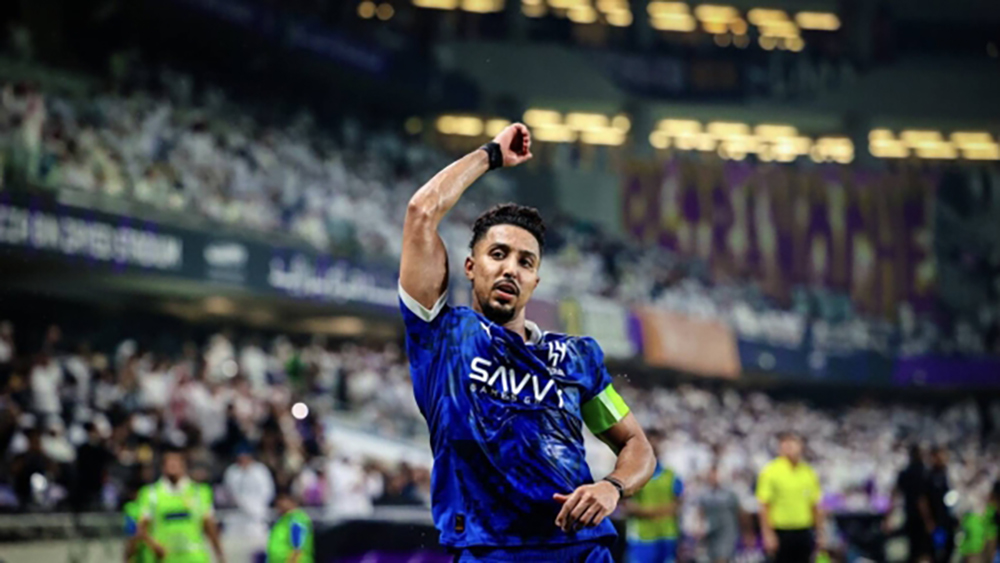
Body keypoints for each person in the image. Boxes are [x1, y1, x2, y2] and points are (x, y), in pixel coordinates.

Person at [398, 123, 655, 562]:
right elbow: (422, 211)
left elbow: (637, 447)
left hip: (580, 550)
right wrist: (490, 155)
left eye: (525, 262)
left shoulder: (576, 359)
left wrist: (612, 487)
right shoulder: (443, 337)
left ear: (535, 280)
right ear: (470, 266)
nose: (510, 269)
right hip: (488, 550)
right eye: (498, 254)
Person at [137, 447, 226, 563]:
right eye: (169, 462)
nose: (173, 465)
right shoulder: (151, 494)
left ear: (184, 465)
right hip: (165, 557)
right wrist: (154, 545)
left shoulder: (200, 492)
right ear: (163, 467)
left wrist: (220, 555)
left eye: (176, 462)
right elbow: (141, 529)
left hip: (194, 557)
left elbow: (210, 527)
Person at [755, 432, 824, 563]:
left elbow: (815, 505)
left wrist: (820, 533)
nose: (789, 447)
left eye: (793, 443)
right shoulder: (771, 471)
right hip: (781, 530)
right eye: (785, 444)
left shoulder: (808, 472)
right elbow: (764, 505)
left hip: (804, 530)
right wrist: (768, 534)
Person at [623, 430, 684, 563]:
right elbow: (628, 506)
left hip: (666, 535)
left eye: (656, 442)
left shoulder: (671, 475)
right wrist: (657, 512)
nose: (653, 446)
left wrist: (648, 511)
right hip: (642, 536)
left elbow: (678, 505)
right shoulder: (633, 474)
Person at [888, 444, 933, 563]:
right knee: (924, 553)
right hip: (920, 520)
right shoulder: (924, 473)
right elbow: (921, 500)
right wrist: (928, 520)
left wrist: (888, 516)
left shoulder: (905, 472)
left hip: (908, 516)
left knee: (911, 552)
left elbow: (894, 494)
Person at [222, 445, 275, 543]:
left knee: (258, 540)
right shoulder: (232, 471)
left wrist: (256, 506)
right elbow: (228, 492)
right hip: (237, 513)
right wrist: (241, 504)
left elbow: (268, 491)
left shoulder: (260, 470)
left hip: (257, 513)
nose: (243, 459)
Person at [697, 465, 747, 563]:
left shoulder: (730, 494)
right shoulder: (705, 494)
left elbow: (739, 512)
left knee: (722, 558)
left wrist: (745, 532)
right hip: (711, 532)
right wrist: (700, 526)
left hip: (727, 532)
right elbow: (701, 511)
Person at [925, 446, 956, 563]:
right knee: (936, 552)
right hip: (936, 521)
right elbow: (923, 500)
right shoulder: (929, 475)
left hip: (947, 520)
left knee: (949, 549)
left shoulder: (947, 473)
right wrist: (929, 521)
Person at [266, 488, 313, 563]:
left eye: (283, 499)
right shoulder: (282, 520)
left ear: (292, 501)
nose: (279, 503)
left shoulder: (297, 520)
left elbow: (298, 548)